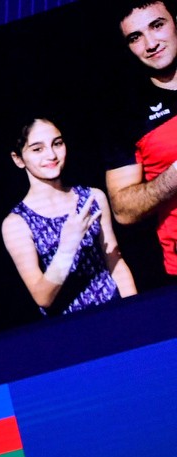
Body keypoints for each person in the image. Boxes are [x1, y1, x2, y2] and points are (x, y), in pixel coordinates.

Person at [1, 117, 138, 316]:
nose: (51, 155)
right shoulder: (17, 223)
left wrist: (135, 310)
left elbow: (115, 263)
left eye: (57, 144)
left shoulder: (92, 197)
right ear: (18, 159)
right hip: (71, 325)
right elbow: (42, 297)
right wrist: (67, 246)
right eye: (37, 149)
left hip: (114, 309)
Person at [103, 1, 177, 278]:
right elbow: (123, 210)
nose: (151, 44)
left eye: (157, 25)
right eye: (136, 37)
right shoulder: (126, 116)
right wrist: (173, 176)